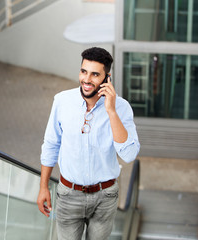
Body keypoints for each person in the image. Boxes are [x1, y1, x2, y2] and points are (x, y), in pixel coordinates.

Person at [37, 47, 140, 239]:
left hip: (105, 197)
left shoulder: (121, 108)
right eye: (84, 71)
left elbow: (129, 154)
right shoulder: (62, 101)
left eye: (95, 74)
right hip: (68, 194)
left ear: (106, 78)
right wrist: (43, 187)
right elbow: (51, 144)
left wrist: (111, 111)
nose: (86, 79)